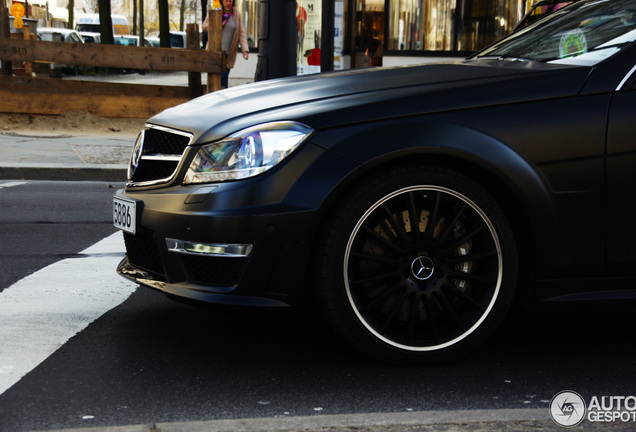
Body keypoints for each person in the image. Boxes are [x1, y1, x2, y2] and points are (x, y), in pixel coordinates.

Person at [202, 0, 249, 89]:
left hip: (228, 54)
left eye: (230, 1)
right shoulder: (215, 11)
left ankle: (222, 100)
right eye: (226, 1)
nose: (228, 3)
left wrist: (245, 50)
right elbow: (204, 27)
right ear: (222, 1)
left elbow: (241, 34)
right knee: (213, 79)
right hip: (214, 52)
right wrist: (214, 22)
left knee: (223, 79)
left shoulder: (236, 14)